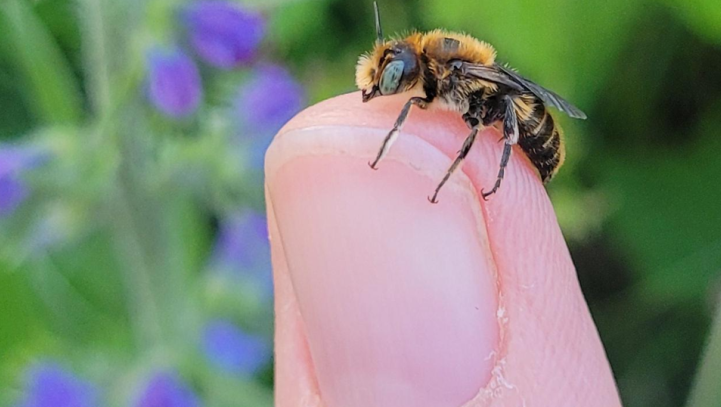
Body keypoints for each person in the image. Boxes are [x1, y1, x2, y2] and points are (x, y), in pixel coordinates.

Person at [265, 93, 623, 407]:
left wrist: (498, 172)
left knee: (500, 115)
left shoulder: (459, 80)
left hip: (525, 122)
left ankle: (495, 169)